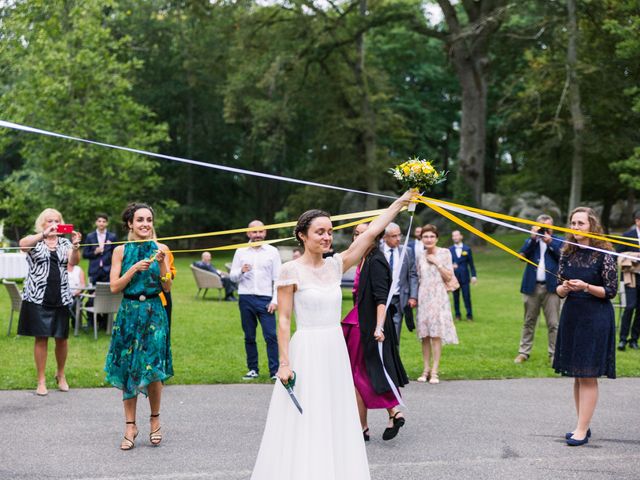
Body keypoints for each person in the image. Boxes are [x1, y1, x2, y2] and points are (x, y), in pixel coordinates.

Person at [251, 191, 414, 480]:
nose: (327, 237)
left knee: (335, 412)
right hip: (306, 350)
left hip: (334, 348)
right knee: (307, 415)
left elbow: (374, 230)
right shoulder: (290, 270)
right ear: (303, 235)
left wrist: (401, 202)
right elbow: (284, 319)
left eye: (330, 231)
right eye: (320, 232)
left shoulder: (337, 264)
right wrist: (284, 363)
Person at [104, 203, 174, 451]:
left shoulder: (161, 248)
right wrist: (133, 268)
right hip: (129, 314)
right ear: (130, 224)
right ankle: (130, 425)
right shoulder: (120, 251)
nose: (145, 223)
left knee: (153, 368)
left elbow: (166, 287)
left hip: (154, 313)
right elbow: (114, 287)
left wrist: (163, 264)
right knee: (130, 369)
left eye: (149, 219)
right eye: (140, 220)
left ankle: (155, 420)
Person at [553, 207, 617, 446]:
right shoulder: (567, 253)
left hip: (595, 316)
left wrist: (587, 287)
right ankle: (582, 424)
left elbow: (610, 291)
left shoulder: (604, 254)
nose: (575, 227)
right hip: (573, 315)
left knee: (588, 374)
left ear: (592, 225)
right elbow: (558, 289)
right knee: (578, 375)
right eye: (572, 223)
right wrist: (566, 288)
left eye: (580, 223)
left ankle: (582, 429)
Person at [341, 222, 408, 443]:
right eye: (356, 234)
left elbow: (382, 299)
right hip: (362, 321)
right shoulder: (364, 258)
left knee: (358, 374)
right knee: (368, 371)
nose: (358, 238)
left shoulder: (376, 261)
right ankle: (391, 413)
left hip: (369, 325)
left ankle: (364, 427)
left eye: (364, 234)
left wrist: (378, 327)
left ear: (374, 237)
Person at [17, 208, 82, 396]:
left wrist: (76, 247)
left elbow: (74, 262)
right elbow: (23, 245)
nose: (53, 224)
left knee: (62, 338)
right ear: (42, 223)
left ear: (61, 223)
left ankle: (60, 375)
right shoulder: (35, 239)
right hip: (37, 296)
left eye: (56, 221)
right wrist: (42, 235)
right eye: (49, 221)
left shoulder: (64, 242)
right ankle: (41, 380)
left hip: (60, 295)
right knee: (41, 338)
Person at [230, 220, 281, 380]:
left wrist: (275, 300)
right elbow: (232, 277)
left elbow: (278, 279)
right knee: (249, 336)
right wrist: (241, 271)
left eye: (260, 232)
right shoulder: (240, 251)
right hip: (245, 298)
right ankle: (253, 369)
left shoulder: (272, 252)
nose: (257, 235)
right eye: (254, 232)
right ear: (248, 233)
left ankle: (275, 371)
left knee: (271, 336)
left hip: (266, 299)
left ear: (265, 233)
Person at [514, 215, 563, 364]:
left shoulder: (559, 240)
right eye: (541, 226)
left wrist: (550, 243)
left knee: (554, 323)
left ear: (552, 227)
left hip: (552, 288)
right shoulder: (531, 241)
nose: (544, 230)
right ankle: (523, 352)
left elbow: (563, 258)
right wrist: (533, 238)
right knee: (529, 321)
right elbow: (521, 256)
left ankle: (554, 354)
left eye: (547, 227)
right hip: (532, 286)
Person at [415, 224, 458, 384]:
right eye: (425, 236)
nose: (429, 239)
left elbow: (449, 276)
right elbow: (418, 276)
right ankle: (425, 369)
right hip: (424, 297)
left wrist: (437, 263)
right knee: (425, 335)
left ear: (437, 238)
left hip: (439, 298)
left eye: (432, 236)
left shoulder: (445, 253)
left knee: (436, 335)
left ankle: (435, 370)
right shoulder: (420, 255)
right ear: (421, 239)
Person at [381, 223, 418, 343]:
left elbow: (413, 274)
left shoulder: (407, 251)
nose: (398, 239)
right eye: (393, 236)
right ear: (385, 237)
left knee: (395, 334)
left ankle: (394, 359)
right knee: (379, 331)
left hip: (399, 298)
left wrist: (413, 296)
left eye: (399, 235)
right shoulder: (377, 251)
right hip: (380, 299)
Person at [615, 210, 640, 351]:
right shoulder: (627, 236)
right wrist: (633, 256)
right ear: (637, 221)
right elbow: (617, 254)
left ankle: (634, 339)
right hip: (631, 276)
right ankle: (623, 339)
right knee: (630, 306)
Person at [449, 230, 477, 321]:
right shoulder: (450, 250)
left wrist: (473, 276)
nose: (455, 237)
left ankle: (469, 315)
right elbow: (446, 263)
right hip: (454, 278)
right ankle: (457, 315)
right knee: (455, 297)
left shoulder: (467, 249)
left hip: (465, 278)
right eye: (453, 236)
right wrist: (451, 266)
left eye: (457, 235)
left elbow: (471, 264)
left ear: (461, 236)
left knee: (466, 297)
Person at [82, 213, 117, 284]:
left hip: (108, 270)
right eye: (99, 221)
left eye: (104, 221)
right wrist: (95, 252)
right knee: (92, 293)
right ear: (96, 222)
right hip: (94, 270)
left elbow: (116, 254)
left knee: (107, 293)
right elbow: (84, 254)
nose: (101, 223)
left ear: (107, 223)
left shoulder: (112, 236)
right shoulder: (90, 236)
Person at [66, 260, 86, 330]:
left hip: (76, 295)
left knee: (76, 302)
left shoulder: (78, 269)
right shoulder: (61, 268)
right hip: (64, 295)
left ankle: (76, 324)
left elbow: (83, 284)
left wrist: (78, 291)